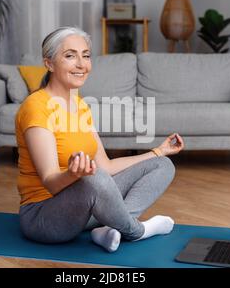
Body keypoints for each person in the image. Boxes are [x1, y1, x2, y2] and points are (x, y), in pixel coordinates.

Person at [16, 26, 185, 252]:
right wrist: (74, 174)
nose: (81, 64)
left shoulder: (80, 105)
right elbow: (50, 181)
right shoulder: (36, 107)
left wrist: (158, 151)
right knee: (93, 178)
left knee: (162, 165)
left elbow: (106, 165)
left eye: (85, 56)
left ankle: (111, 229)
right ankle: (136, 231)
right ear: (49, 63)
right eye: (70, 56)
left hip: (84, 209)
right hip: (44, 217)